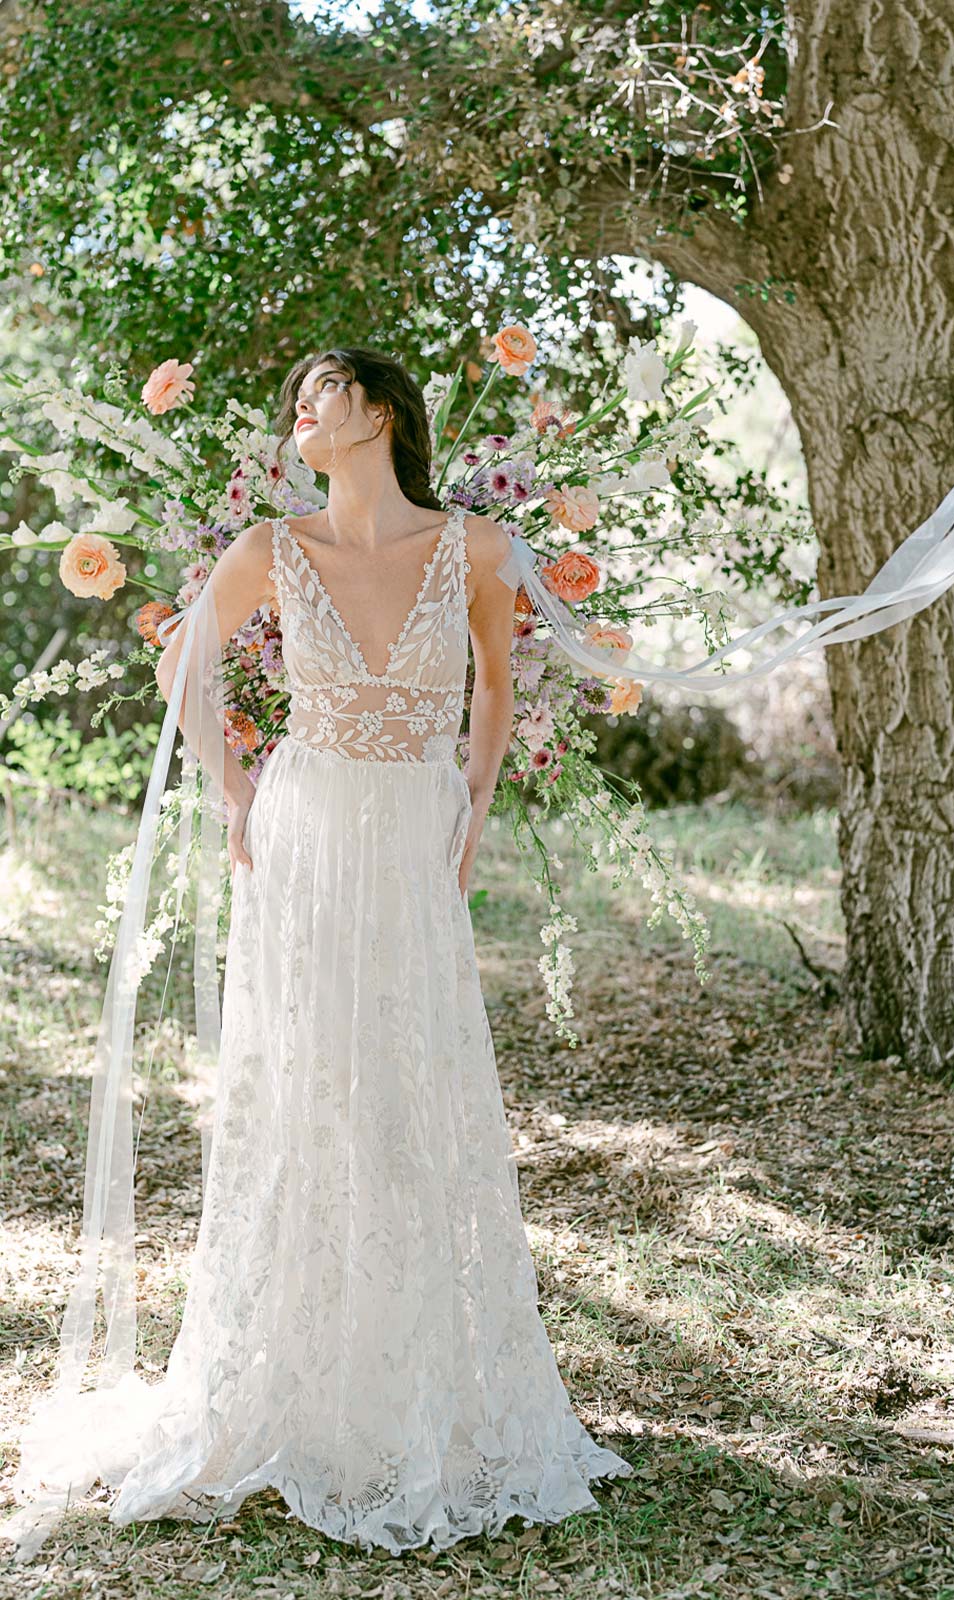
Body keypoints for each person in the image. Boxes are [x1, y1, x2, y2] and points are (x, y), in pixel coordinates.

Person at [2, 349, 634, 1560]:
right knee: (308, 1087)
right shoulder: (270, 550)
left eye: (324, 391)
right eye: (297, 396)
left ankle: (415, 1384)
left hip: (412, 825)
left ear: (382, 415)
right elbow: (184, 665)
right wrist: (236, 787)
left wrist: (474, 803)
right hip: (303, 827)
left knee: (408, 1081)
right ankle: (290, 1381)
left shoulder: (480, 550)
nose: (302, 408)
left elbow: (496, 685)